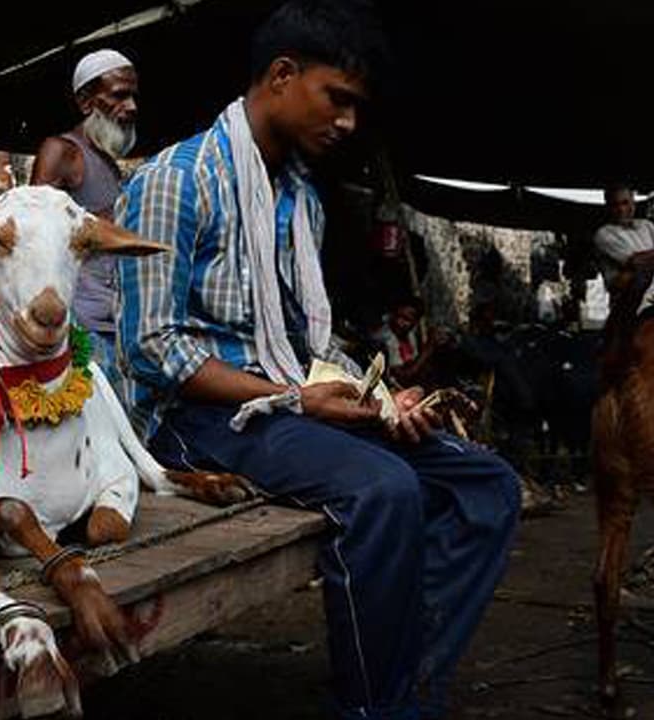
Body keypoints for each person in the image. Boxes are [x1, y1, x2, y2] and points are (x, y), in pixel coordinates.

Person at [113, 2, 520, 718]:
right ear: (281, 75)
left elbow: (311, 343)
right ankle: (375, 704)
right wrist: (296, 398)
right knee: (382, 490)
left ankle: (407, 678)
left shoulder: (300, 197)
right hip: (191, 420)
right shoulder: (176, 179)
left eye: (357, 107)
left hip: (283, 400)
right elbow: (150, 351)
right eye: (339, 99)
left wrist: (382, 395)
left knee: (485, 487)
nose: (348, 123)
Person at [31, 48, 139, 380]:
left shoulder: (104, 159)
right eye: (119, 95)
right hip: (82, 326)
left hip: (114, 321)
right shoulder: (62, 152)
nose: (132, 107)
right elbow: (32, 232)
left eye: (133, 96)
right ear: (86, 102)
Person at [593, 183, 654, 293]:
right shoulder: (604, 233)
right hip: (628, 302)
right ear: (608, 207)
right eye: (615, 205)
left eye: (625, 203)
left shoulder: (647, 226)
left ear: (633, 204)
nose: (621, 209)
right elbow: (635, 261)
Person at [374, 295, 431, 386]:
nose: (399, 322)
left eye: (406, 319)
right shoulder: (387, 339)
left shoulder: (410, 334)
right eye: (397, 316)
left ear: (415, 322)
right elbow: (402, 377)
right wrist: (428, 349)